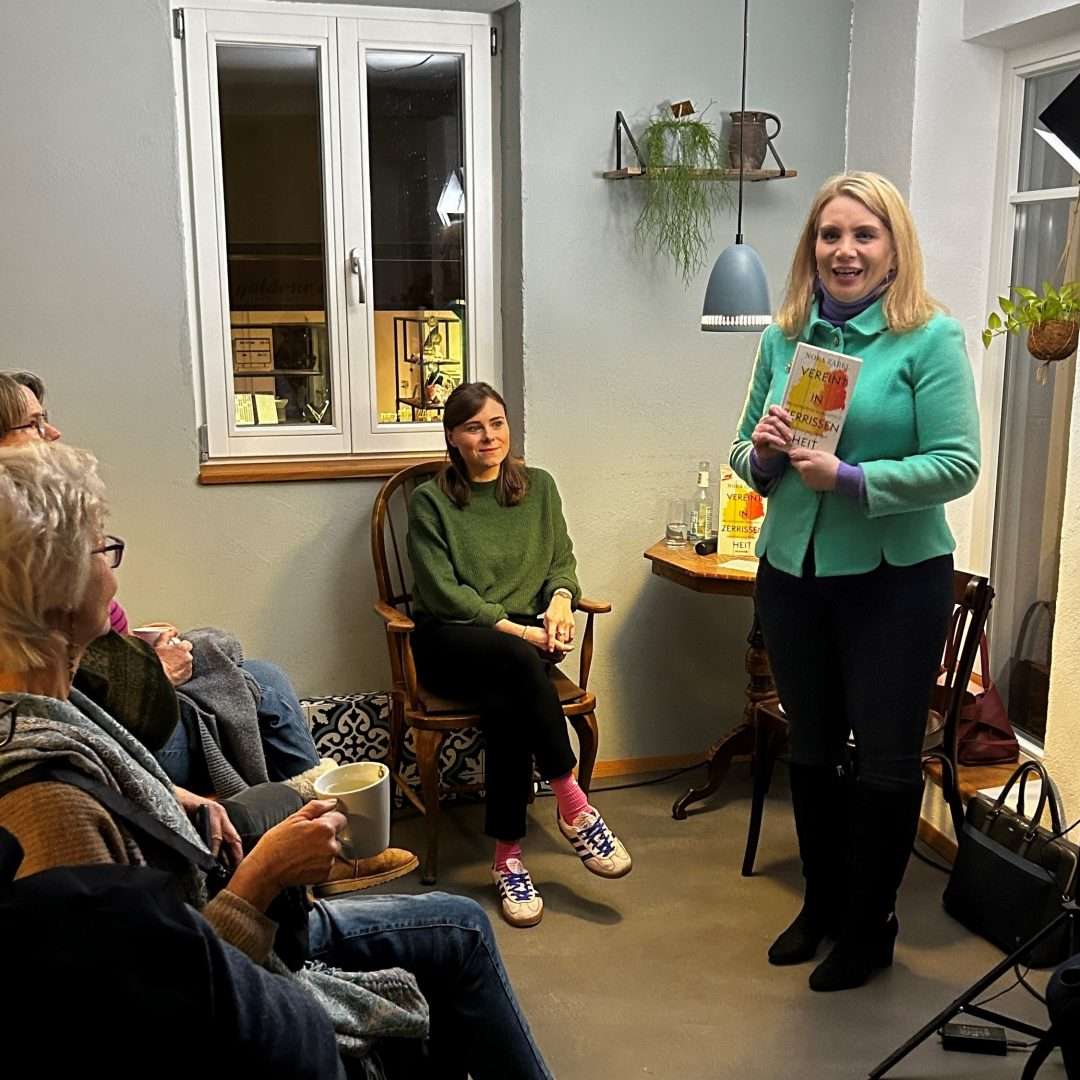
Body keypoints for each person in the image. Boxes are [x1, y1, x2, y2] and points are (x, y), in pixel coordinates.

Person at [0, 441, 554, 1079]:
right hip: (234, 950)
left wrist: (171, 799)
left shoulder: (56, 711)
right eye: (104, 549)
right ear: (58, 587)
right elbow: (169, 1025)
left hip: (211, 918)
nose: (116, 573)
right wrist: (262, 877)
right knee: (462, 927)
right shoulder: (51, 810)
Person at [730, 172, 980, 992]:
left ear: (892, 248)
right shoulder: (785, 336)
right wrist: (764, 455)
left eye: (863, 236)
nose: (844, 251)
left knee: (882, 759)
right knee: (810, 748)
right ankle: (823, 904)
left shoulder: (930, 338)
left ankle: (871, 926)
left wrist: (851, 477)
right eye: (830, 236)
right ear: (812, 249)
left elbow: (959, 464)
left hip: (894, 581)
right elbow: (743, 454)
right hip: (793, 573)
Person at [407, 381, 632, 928]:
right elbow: (442, 594)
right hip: (450, 642)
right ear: (453, 438)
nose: (489, 437)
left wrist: (559, 604)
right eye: (473, 427)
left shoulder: (539, 487)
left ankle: (508, 860)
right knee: (516, 662)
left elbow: (563, 561)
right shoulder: (431, 501)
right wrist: (525, 634)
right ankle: (571, 800)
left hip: (518, 653)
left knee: (509, 698)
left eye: (498, 423)